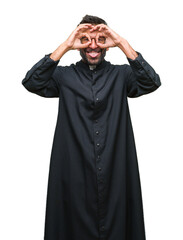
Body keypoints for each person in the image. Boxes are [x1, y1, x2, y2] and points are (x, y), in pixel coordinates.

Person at [22, 15, 161, 240]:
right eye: (86, 40)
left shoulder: (121, 75)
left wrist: (121, 42)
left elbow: (151, 82)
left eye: (99, 40)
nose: (93, 46)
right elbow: (32, 82)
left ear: (107, 43)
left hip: (115, 173)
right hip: (74, 174)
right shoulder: (64, 76)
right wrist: (66, 45)